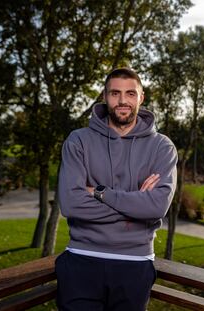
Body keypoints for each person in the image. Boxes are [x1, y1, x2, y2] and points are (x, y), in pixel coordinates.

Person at [56, 67, 178, 311]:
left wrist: (100, 193)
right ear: (104, 96)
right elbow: (70, 203)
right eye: (115, 93)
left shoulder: (162, 147)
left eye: (131, 94)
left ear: (141, 98)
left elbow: (157, 206)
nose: (123, 101)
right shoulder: (78, 140)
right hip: (81, 259)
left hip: (134, 262)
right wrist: (137, 204)